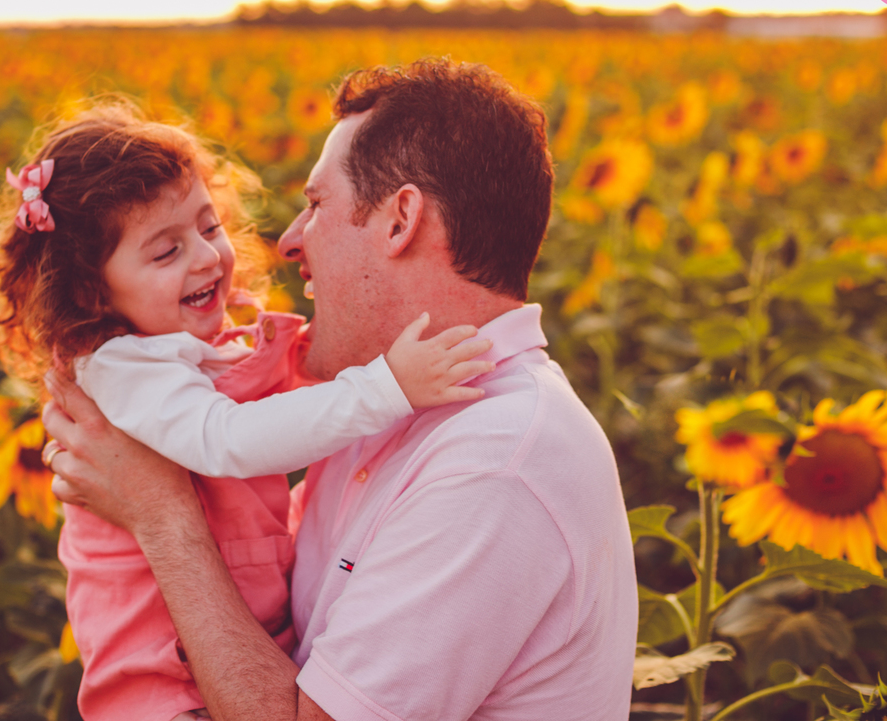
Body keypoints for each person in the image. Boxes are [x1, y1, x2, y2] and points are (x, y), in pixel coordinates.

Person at [42, 60, 639, 720]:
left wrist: (160, 514)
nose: (288, 241)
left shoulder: (495, 460)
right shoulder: (384, 405)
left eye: (317, 204)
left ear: (400, 220)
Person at [0, 102, 495, 721]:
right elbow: (227, 438)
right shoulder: (122, 370)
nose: (207, 257)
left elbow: (270, 396)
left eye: (209, 227)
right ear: (91, 290)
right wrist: (384, 388)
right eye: (167, 252)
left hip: (225, 644)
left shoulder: (178, 344)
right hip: (165, 675)